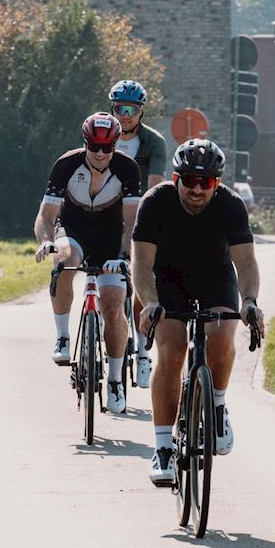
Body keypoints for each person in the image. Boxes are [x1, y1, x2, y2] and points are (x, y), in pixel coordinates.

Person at [131, 138, 263, 486]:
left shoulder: (231, 206)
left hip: (214, 279)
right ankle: (162, 449)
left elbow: (246, 262)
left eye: (205, 182)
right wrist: (149, 302)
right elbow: (141, 264)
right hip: (167, 282)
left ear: (216, 184)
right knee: (172, 351)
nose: (196, 189)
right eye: (189, 180)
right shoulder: (155, 202)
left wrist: (249, 301)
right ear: (176, 179)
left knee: (221, 335)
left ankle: (217, 405)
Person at [33, 112, 142, 415]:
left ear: (116, 147)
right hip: (74, 230)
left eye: (108, 148)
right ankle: (62, 337)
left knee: (112, 305)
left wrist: (123, 257)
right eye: (94, 146)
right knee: (67, 258)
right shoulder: (66, 165)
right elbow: (46, 216)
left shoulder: (127, 169)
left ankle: (116, 380)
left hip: (111, 237)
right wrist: (45, 240)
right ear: (86, 143)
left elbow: (133, 221)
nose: (100, 153)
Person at [108, 79, 169, 393]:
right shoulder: (103, 134)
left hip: (140, 217)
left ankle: (143, 351)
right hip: (106, 214)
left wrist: (140, 227)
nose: (125, 115)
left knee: (140, 283)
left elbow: (156, 188)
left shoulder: (153, 142)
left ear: (141, 112)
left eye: (131, 110)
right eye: (120, 108)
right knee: (109, 288)